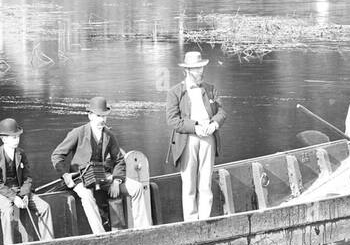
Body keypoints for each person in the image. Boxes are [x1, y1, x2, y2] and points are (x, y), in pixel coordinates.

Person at [51, 96, 151, 233]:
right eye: (99, 116)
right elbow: (57, 155)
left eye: (105, 116)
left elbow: (119, 160)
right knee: (86, 196)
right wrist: (65, 175)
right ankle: (100, 235)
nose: (102, 120)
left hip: (103, 176)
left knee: (137, 188)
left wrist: (116, 181)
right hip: (80, 178)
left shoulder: (109, 135)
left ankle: (143, 230)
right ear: (90, 116)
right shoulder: (77, 133)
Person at [166, 51, 227, 222]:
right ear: (187, 70)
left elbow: (222, 111)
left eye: (201, 68)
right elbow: (172, 120)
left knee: (205, 182)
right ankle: (191, 222)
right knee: (189, 184)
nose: (201, 71)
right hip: (188, 140)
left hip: (209, 138)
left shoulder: (211, 89)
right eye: (197, 69)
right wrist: (195, 127)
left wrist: (214, 124)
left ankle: (205, 220)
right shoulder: (175, 92)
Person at [0, 118, 54, 245]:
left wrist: (24, 195)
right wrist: (13, 198)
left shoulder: (21, 153)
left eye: (17, 136)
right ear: (4, 139)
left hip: (19, 190)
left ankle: (48, 243)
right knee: (8, 209)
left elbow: (27, 178)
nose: (16, 140)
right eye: (13, 137)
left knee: (45, 207)